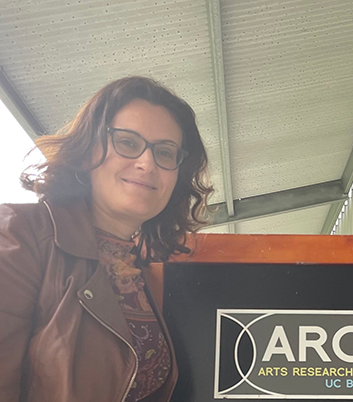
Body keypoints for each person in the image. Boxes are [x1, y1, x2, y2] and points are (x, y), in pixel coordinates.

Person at [0, 76, 213, 402]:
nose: (147, 163)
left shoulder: (141, 270)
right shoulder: (20, 235)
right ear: (87, 152)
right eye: (128, 142)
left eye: (165, 152)